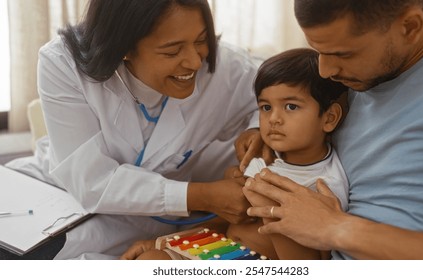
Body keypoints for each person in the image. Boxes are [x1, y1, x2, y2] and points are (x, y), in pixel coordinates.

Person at [4, 0, 262, 260]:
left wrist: (256, 130)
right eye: (172, 52)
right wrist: (202, 196)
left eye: (201, 40)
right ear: (123, 48)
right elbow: (91, 181)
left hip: (134, 225)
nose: (195, 62)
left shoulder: (229, 69)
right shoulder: (62, 62)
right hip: (48, 193)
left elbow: (283, 94)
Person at [242, 0, 423, 259]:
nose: (326, 71)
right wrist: (261, 130)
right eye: (318, 51)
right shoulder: (352, 79)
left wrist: (336, 228)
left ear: (409, 26)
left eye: (343, 54)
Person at [120, 48, 349, 260]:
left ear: (329, 118)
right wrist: (163, 243)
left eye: (290, 107)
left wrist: (272, 210)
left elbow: (306, 264)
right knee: (150, 261)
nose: (274, 119)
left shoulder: (324, 186)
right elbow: (226, 220)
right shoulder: (263, 160)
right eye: (266, 107)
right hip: (224, 251)